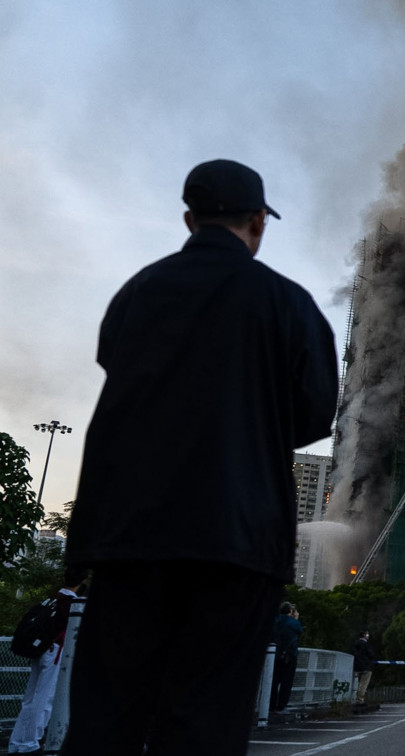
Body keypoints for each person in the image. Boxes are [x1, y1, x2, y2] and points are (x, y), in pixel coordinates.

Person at [63, 159, 339, 756]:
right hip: (237, 542)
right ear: (259, 221)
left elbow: (118, 377)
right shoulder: (288, 304)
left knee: (105, 715)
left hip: (130, 536)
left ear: (189, 218)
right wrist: (249, 429)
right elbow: (317, 415)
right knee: (207, 719)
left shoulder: (137, 293)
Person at [8, 568, 89, 755]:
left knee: (30, 698)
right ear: (82, 582)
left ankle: (18, 742)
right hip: (55, 653)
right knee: (44, 699)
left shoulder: (53, 599)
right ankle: (30, 743)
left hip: (41, 650)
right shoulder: (70, 603)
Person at [271, 602, 303, 712]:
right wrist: (296, 618)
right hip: (289, 655)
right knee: (286, 682)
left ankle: (270, 705)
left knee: (273, 681)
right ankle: (281, 706)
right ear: (290, 611)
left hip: (273, 654)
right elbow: (300, 631)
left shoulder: (275, 620)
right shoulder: (293, 623)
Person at [353, 631, 376, 704]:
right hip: (366, 666)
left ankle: (355, 697)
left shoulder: (355, 644)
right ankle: (359, 699)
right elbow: (371, 655)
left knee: (357, 683)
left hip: (357, 666)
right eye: (367, 634)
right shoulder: (366, 645)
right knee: (364, 683)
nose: (368, 635)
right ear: (363, 635)